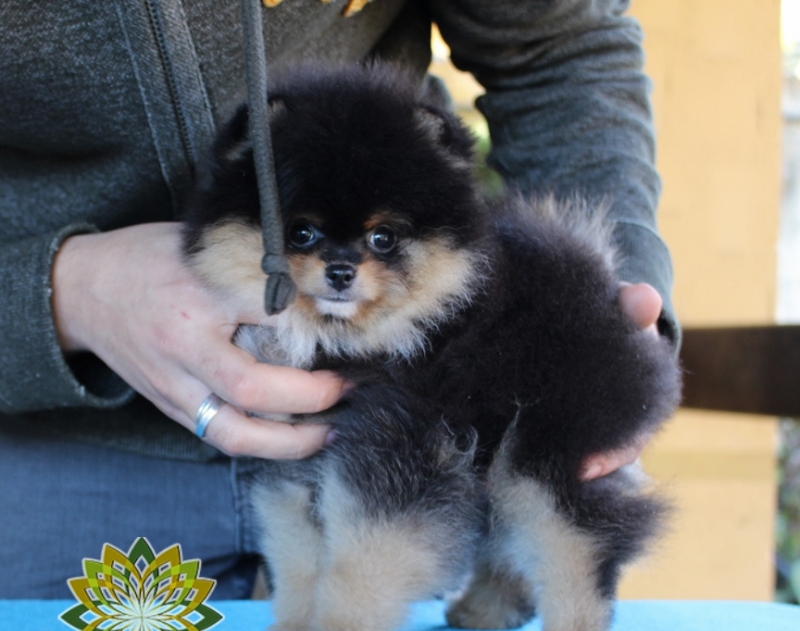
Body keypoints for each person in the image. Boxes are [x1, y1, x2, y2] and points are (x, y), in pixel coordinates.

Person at [0, 0, 676, 599]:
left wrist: (603, 303)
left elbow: (554, 46)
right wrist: (57, 293)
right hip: (60, 445)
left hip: (427, 416)